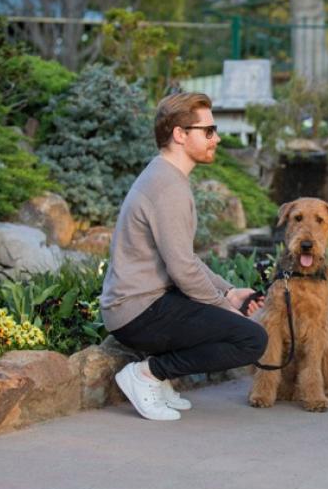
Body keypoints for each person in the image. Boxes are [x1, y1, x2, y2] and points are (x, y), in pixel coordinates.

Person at [100, 92, 268, 421]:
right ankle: (147, 374)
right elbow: (182, 269)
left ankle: (157, 378)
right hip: (137, 312)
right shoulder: (168, 188)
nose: (216, 138)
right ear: (180, 134)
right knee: (251, 338)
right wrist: (227, 310)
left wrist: (228, 291)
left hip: (148, 303)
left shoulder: (165, 176)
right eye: (208, 131)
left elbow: (184, 258)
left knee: (235, 323)